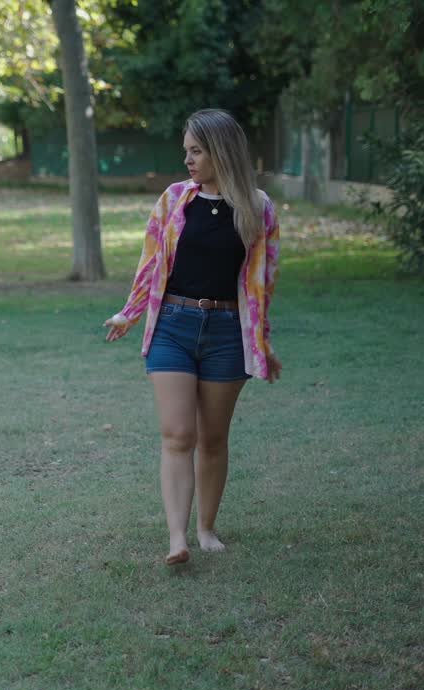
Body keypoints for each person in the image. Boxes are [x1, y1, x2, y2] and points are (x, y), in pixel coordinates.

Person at [103, 109, 282, 566]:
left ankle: (206, 528)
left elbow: (262, 283)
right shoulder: (174, 200)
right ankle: (176, 538)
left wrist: (261, 342)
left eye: (196, 151)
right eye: (186, 151)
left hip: (226, 332)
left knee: (213, 437)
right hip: (173, 326)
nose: (188, 160)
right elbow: (150, 263)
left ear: (221, 152)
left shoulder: (258, 208)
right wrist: (129, 313)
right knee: (178, 433)